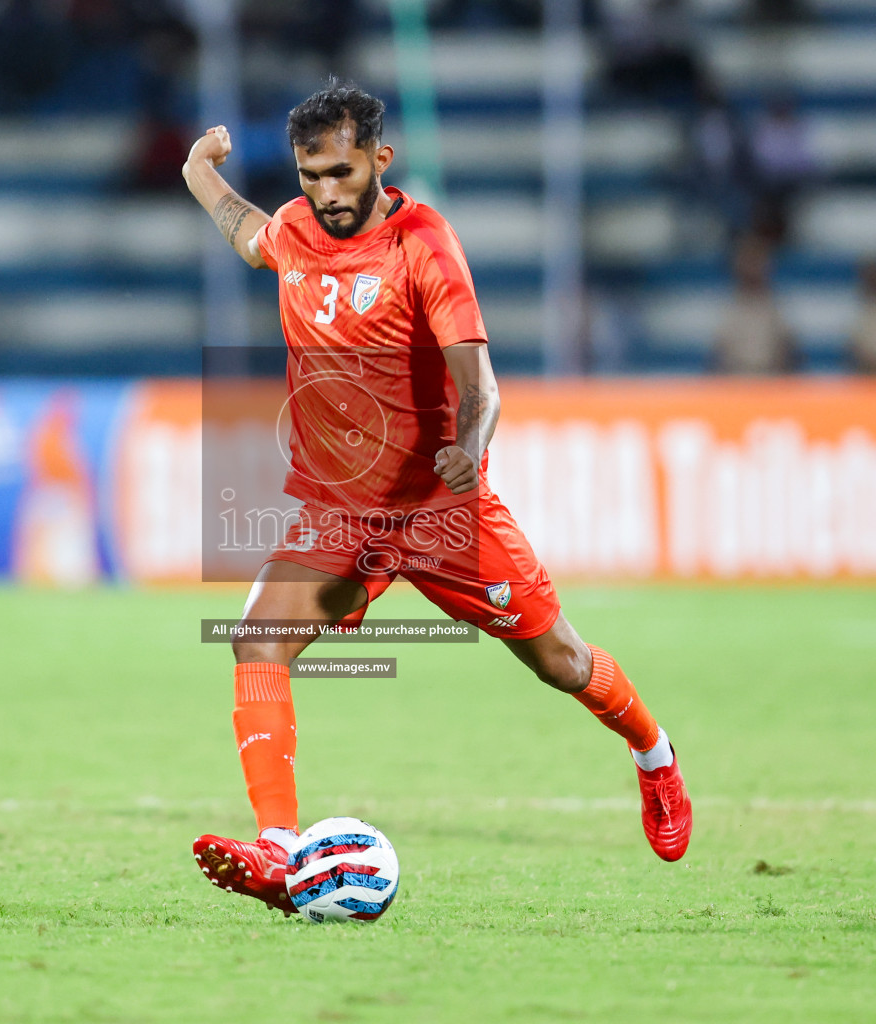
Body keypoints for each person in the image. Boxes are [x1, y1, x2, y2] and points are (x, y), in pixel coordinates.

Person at [180, 82, 693, 914]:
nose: (328, 193)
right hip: (339, 510)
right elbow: (246, 234)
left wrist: (470, 447)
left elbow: (481, 385)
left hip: (441, 508)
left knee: (561, 662)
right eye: (312, 176)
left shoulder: (424, 245)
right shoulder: (297, 231)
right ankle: (278, 851)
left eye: (343, 172)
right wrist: (199, 170)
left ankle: (655, 756)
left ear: (381, 159)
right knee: (257, 641)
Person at [714, 233, 798, 374]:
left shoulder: (778, 310)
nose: (752, 267)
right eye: (747, 260)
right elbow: (718, 360)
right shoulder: (726, 311)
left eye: (757, 261)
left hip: (771, 385)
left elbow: (789, 356)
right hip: (734, 385)